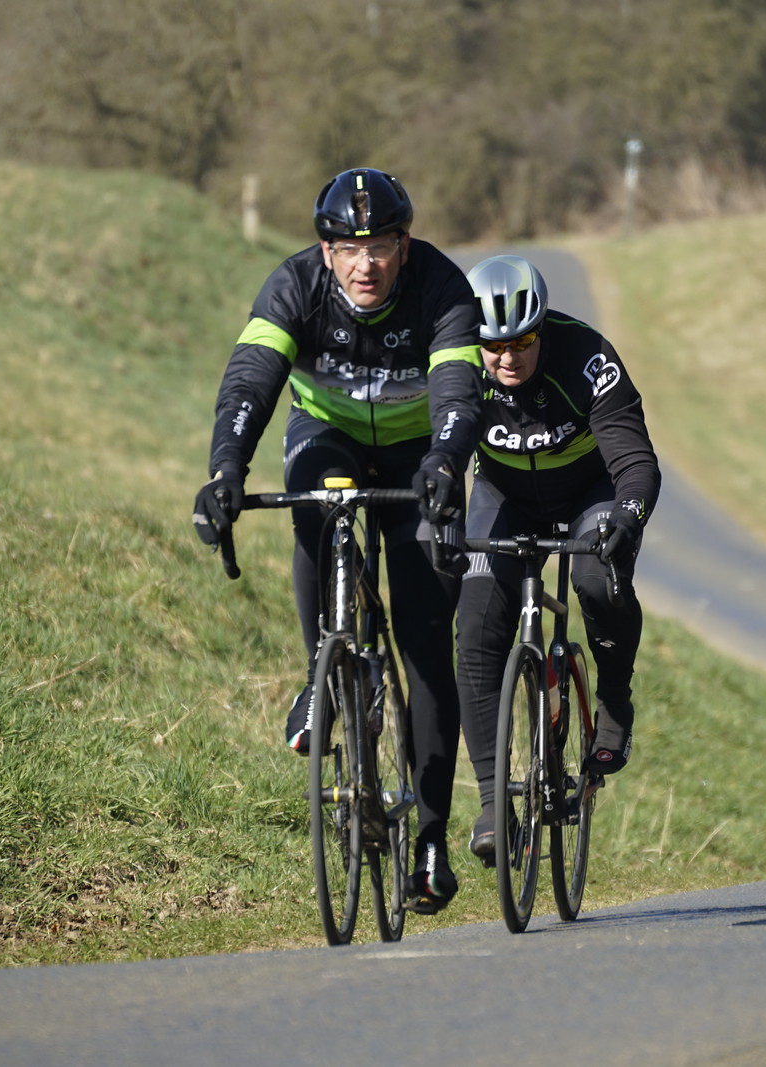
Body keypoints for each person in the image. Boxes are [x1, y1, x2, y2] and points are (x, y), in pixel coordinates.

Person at [192, 168, 483, 914]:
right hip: (329, 436)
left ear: (404, 245)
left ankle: (430, 839)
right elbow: (251, 380)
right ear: (326, 252)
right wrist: (226, 469)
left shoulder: (443, 288)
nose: (365, 264)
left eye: (380, 246)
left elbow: (459, 391)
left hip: (421, 453)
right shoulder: (293, 286)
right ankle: (321, 672)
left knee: (424, 639)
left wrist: (447, 460)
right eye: (349, 249)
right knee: (320, 504)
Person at [456, 254, 661, 862]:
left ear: (542, 329)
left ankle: (614, 697)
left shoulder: (586, 357)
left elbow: (635, 461)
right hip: (503, 495)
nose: (507, 358)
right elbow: (430, 447)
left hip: (590, 493)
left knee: (597, 580)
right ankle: (494, 803)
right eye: (494, 345)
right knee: (475, 624)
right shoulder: (457, 363)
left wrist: (629, 515)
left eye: (521, 341)